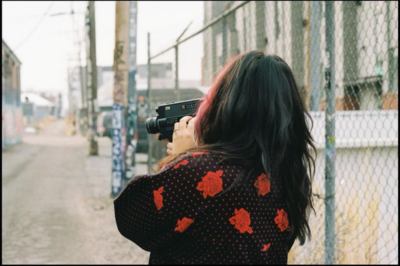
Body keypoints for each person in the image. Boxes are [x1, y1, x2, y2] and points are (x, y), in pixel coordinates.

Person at [114, 51, 317, 264]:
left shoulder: (201, 172)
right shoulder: (287, 177)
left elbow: (132, 217)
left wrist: (185, 157)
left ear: (230, 105)